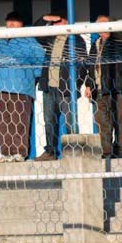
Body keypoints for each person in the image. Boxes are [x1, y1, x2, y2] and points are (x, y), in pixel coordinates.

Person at [34, 12, 88, 161]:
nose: (55, 25)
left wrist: (74, 84)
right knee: (49, 120)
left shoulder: (76, 40)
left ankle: (74, 151)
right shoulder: (50, 38)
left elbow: (82, 65)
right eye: (54, 22)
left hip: (66, 88)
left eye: (59, 21)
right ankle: (50, 152)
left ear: (67, 21)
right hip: (49, 87)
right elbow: (36, 33)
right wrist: (45, 18)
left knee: (70, 120)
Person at [0, 11, 45, 162]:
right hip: (2, 87)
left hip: (21, 86)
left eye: (14, 21)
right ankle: (5, 152)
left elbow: (40, 60)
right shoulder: (1, 42)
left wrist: (31, 77)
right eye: (9, 21)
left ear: (21, 24)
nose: (11, 24)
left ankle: (19, 153)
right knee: (2, 121)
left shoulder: (28, 40)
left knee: (19, 120)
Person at [85, 15, 122, 158]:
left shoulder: (120, 40)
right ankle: (107, 151)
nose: (101, 29)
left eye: (103, 25)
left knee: (119, 120)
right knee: (102, 121)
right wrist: (88, 85)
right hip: (99, 89)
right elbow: (90, 66)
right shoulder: (96, 44)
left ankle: (120, 151)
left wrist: (112, 26)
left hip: (117, 88)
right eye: (98, 26)